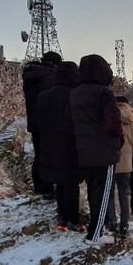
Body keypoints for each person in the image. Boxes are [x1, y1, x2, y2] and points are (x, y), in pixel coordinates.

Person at [70, 54, 122, 245]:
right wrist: (120, 138)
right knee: (103, 193)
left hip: (84, 151)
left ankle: (96, 230)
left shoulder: (75, 93)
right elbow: (114, 123)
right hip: (105, 151)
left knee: (94, 192)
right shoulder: (104, 93)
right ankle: (95, 235)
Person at [36, 61, 85, 232]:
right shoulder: (75, 95)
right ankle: (71, 219)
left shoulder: (43, 96)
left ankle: (61, 216)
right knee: (71, 184)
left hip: (49, 146)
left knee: (60, 183)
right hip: (70, 146)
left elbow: (37, 123)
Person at [23, 51, 60, 198]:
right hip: (49, 122)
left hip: (34, 121)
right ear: (54, 63)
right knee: (48, 156)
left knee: (39, 155)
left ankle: (39, 189)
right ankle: (47, 189)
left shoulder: (30, 75)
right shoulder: (49, 77)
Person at [105, 96, 133, 237]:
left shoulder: (109, 117)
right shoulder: (132, 122)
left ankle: (112, 222)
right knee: (124, 195)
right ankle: (124, 225)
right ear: (127, 105)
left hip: (111, 162)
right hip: (126, 165)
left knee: (109, 194)